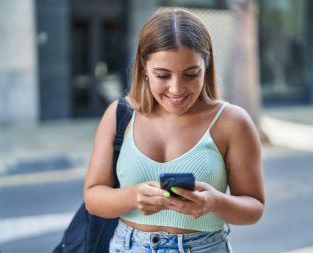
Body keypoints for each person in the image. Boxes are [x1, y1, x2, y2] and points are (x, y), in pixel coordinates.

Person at [84, 8, 265, 253]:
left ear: (207, 65)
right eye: (162, 75)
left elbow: (253, 208)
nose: (176, 89)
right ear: (144, 67)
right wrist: (133, 196)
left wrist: (214, 202)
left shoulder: (232, 121)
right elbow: (93, 197)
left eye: (191, 74)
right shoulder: (120, 114)